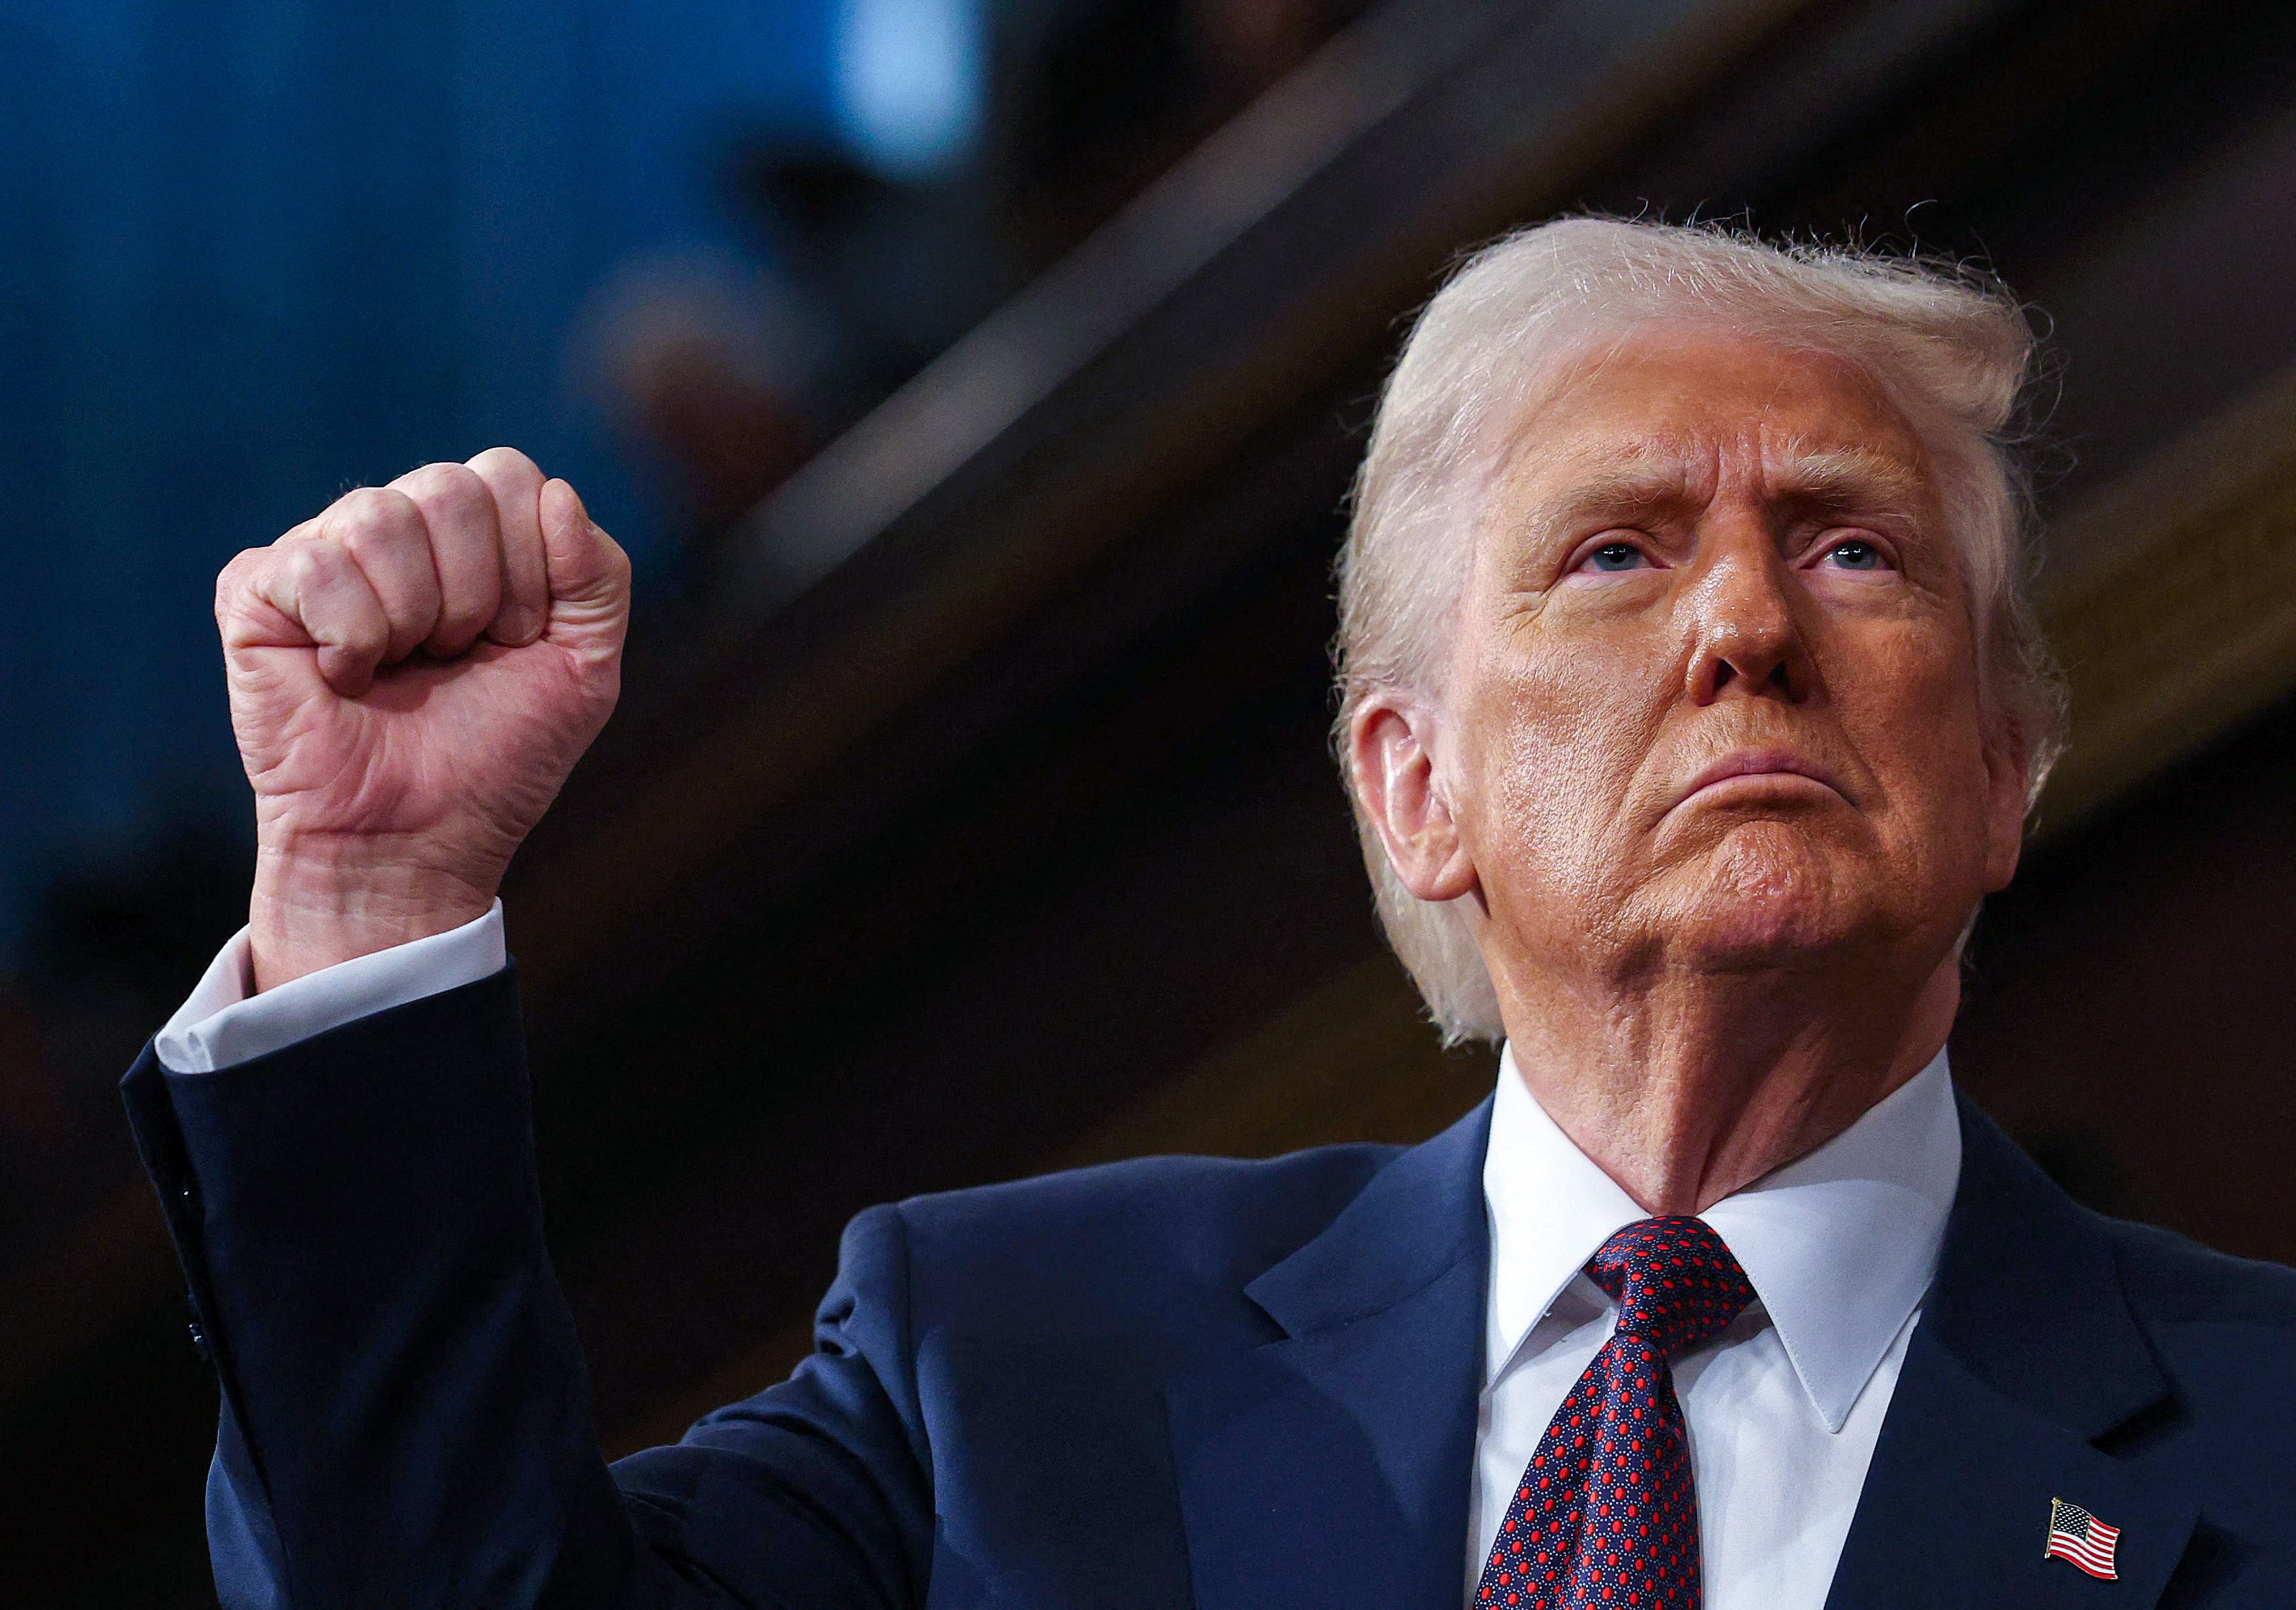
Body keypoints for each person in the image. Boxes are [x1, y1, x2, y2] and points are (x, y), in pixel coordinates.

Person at [123, 218, 2296, 1608]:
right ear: (1411, 784)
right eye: (1615, 554)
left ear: (2002, 773)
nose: (1742, 617)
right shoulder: (1003, 1367)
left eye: (1852, 552)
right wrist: (375, 897)